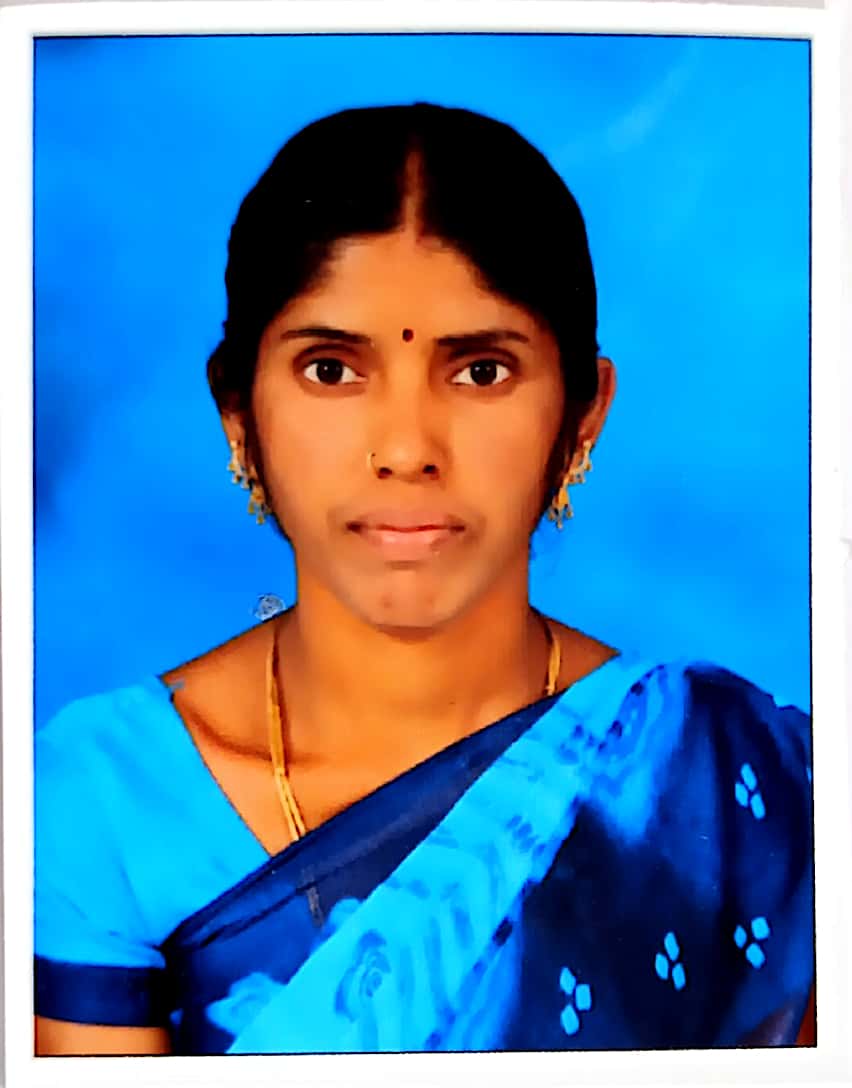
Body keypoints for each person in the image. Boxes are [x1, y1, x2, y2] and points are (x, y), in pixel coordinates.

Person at [34, 103, 814, 1055]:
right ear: (239, 412)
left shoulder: (737, 787)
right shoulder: (104, 801)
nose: (406, 448)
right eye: (331, 370)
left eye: (480, 372)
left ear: (583, 414)